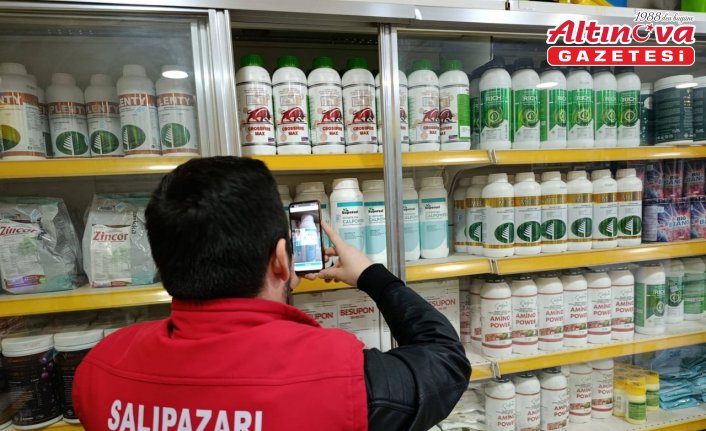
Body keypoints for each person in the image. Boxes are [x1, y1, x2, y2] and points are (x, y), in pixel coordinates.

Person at [73, 156, 471, 431]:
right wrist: (372, 276)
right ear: (282, 260)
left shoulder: (100, 368)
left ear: (162, 266)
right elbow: (446, 362)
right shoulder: (340, 374)